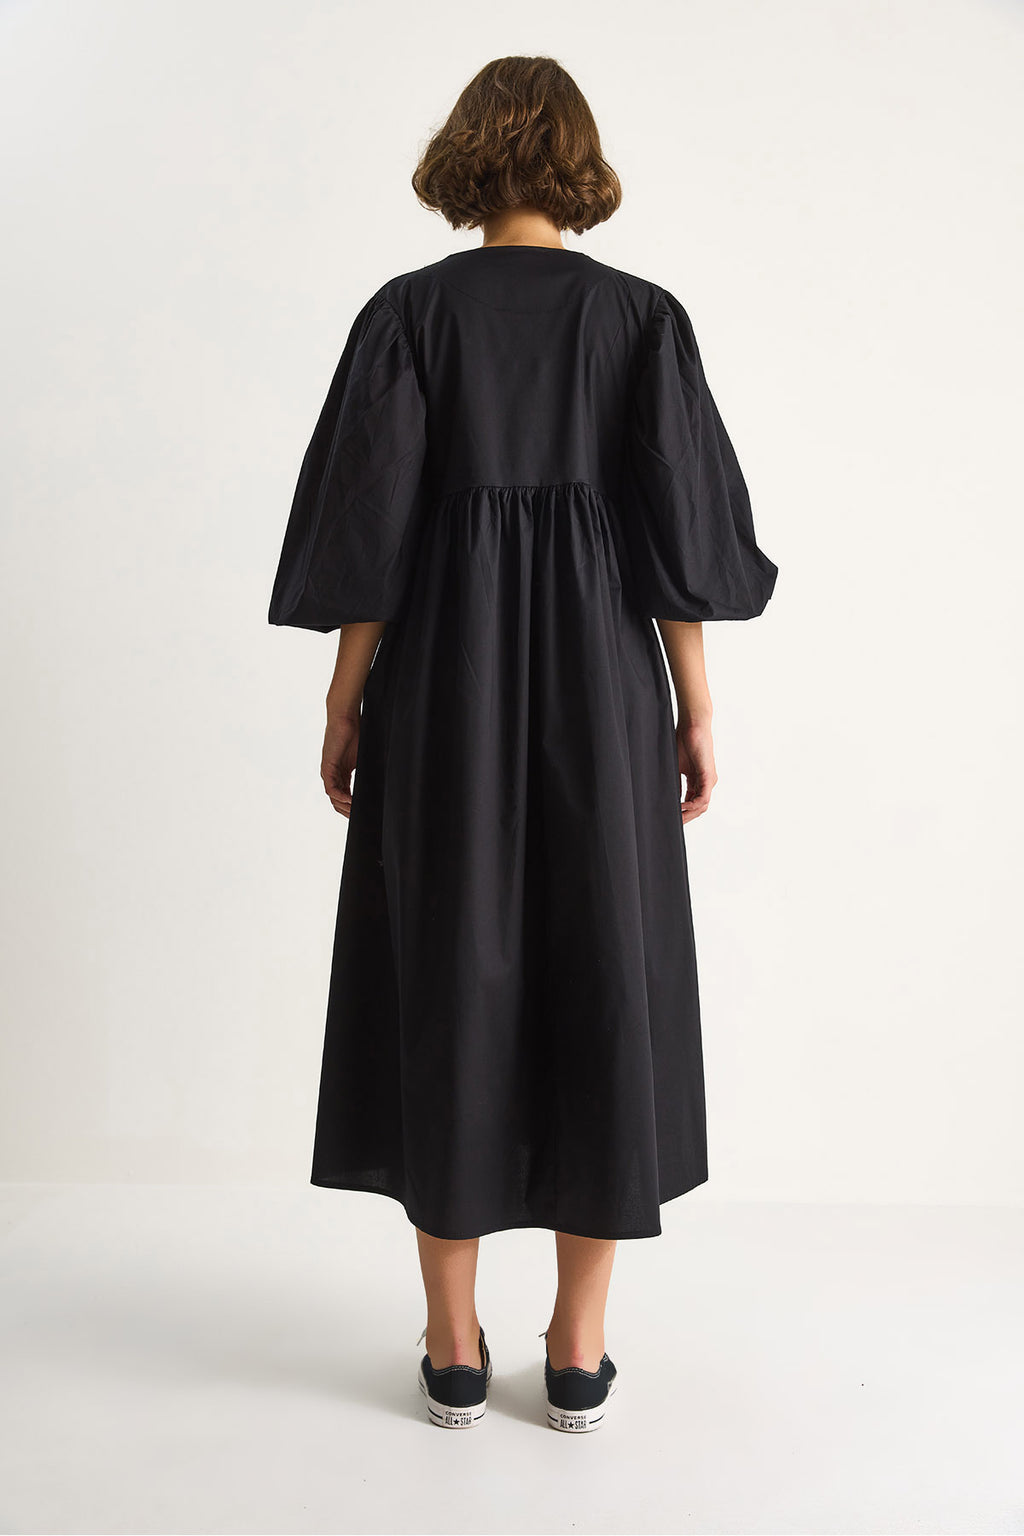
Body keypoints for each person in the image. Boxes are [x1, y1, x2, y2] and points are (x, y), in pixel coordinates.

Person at [268, 54, 778, 1433]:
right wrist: (696, 710)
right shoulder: (640, 320)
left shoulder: (408, 316)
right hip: (604, 688)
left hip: (445, 684)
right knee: (602, 969)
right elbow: (680, 543)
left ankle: (451, 1347)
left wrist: (345, 700)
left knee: (451, 967)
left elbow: (369, 538)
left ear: (464, 159)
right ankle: (577, 1349)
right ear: (578, 163)